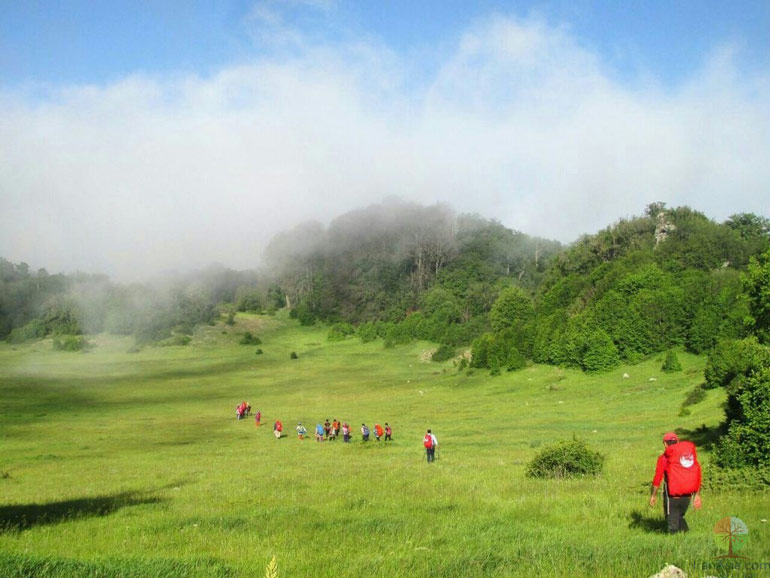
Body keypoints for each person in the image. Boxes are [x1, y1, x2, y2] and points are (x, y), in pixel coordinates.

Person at [649, 432, 702, 534]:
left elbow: (657, 478)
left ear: (665, 443)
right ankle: (687, 538)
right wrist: (697, 495)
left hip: (672, 496)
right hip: (688, 495)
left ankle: (674, 545)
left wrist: (653, 495)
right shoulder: (688, 457)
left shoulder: (664, 458)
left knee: (672, 523)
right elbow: (697, 474)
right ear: (678, 441)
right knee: (679, 517)